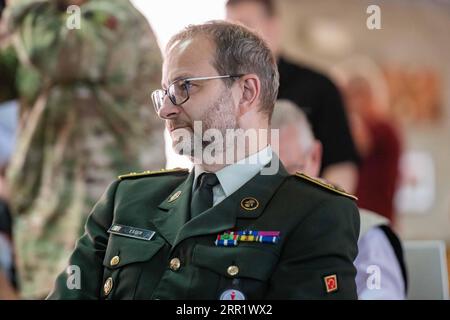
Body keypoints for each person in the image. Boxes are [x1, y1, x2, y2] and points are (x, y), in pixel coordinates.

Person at [48, 21, 360, 300]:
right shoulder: (127, 199)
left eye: (185, 87)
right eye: (166, 92)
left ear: (247, 92)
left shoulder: (313, 214)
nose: (165, 110)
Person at [3, 0, 165, 298]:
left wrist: (23, 6)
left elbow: (60, 51)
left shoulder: (113, 17)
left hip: (109, 230)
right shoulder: (48, 26)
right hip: (47, 232)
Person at [272, 99, 407, 299]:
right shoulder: (240, 233)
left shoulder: (365, 237)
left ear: (314, 157)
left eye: (291, 172)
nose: (277, 188)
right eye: (264, 176)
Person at [225, 0, 359, 193]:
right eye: (229, 31)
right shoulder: (224, 92)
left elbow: (341, 166)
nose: (235, 41)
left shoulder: (319, 87)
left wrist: (324, 212)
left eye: (246, 27)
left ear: (273, 27)